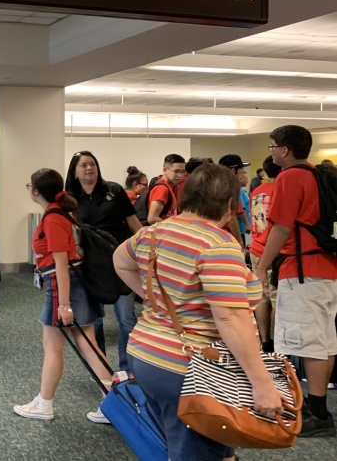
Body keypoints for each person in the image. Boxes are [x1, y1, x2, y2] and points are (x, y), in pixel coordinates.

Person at [113, 163, 282, 461]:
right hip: (191, 369)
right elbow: (231, 317)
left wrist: (156, 301)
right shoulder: (218, 245)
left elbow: (120, 261)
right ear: (229, 204)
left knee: (195, 445)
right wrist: (262, 382)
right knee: (195, 450)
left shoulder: (154, 233)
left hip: (147, 355)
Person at [255, 125, 337, 437]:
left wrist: (262, 267)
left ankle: (317, 413)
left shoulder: (290, 177)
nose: (271, 151)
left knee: (310, 343)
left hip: (302, 270)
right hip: (325, 268)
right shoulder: (317, 174)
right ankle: (318, 407)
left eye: (273, 146)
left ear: (285, 149)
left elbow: (281, 227)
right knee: (325, 341)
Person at [14, 168, 111, 422]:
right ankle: (113, 402)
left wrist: (64, 304)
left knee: (53, 346)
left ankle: (44, 404)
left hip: (63, 286)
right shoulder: (63, 212)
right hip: (75, 283)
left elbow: (61, 264)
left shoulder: (53, 218)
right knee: (87, 344)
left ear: (36, 191)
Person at [64, 151, 142, 389]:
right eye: (83, 165)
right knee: (94, 320)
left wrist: (146, 246)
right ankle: (102, 369)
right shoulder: (69, 198)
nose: (89, 168)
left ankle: (128, 368)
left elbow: (132, 222)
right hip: (89, 266)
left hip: (120, 262)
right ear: (75, 172)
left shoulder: (114, 190)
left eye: (93, 164)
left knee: (126, 318)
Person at [249, 156, 283, 353]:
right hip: (274, 251)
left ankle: (265, 341)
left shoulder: (257, 190)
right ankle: (279, 345)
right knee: (278, 299)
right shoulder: (281, 190)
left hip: (256, 247)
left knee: (262, 297)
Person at [146, 154, 185, 224]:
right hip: (163, 229)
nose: (180, 175)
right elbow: (152, 218)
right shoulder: (161, 189)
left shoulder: (171, 186)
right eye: (176, 171)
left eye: (182, 171)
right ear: (165, 170)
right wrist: (174, 225)